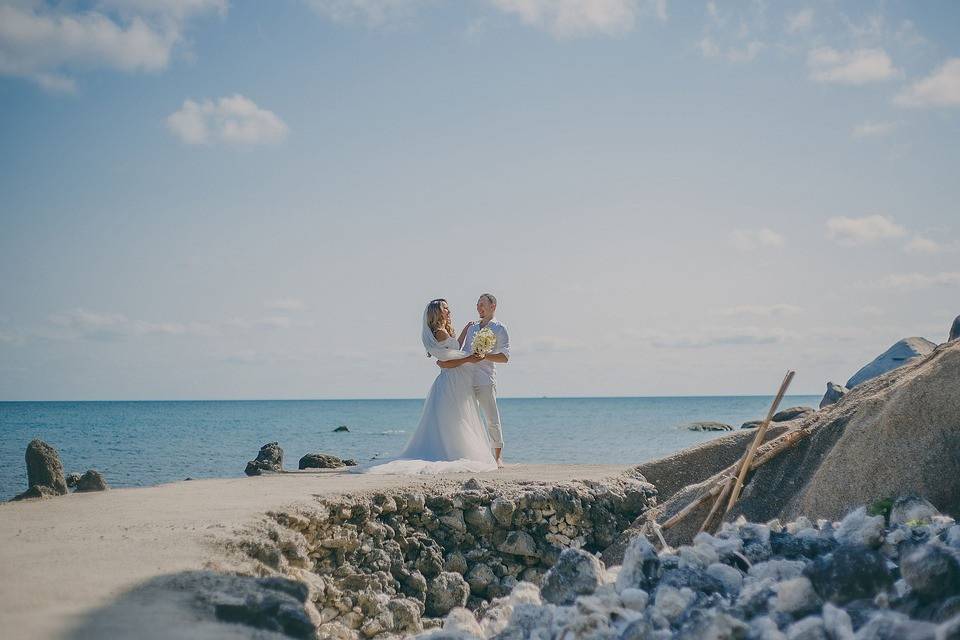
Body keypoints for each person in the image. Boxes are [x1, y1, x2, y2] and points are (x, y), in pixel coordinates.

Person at [352, 299, 499, 474]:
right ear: (438, 312)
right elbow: (445, 362)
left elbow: (454, 349)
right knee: (454, 419)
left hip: (455, 381)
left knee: (455, 419)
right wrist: (470, 358)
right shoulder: (439, 332)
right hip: (451, 382)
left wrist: (466, 331)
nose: (449, 310)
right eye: (445, 308)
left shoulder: (443, 332)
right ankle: (452, 453)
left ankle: (454, 451)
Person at [443, 293, 509, 468]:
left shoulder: (499, 328)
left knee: (491, 418)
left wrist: (485, 355)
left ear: (493, 306)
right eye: (477, 305)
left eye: (482, 304)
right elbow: (464, 351)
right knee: (466, 418)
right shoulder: (472, 328)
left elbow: (504, 357)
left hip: (485, 379)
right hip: (465, 379)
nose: (479, 308)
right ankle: (469, 453)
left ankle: (497, 458)